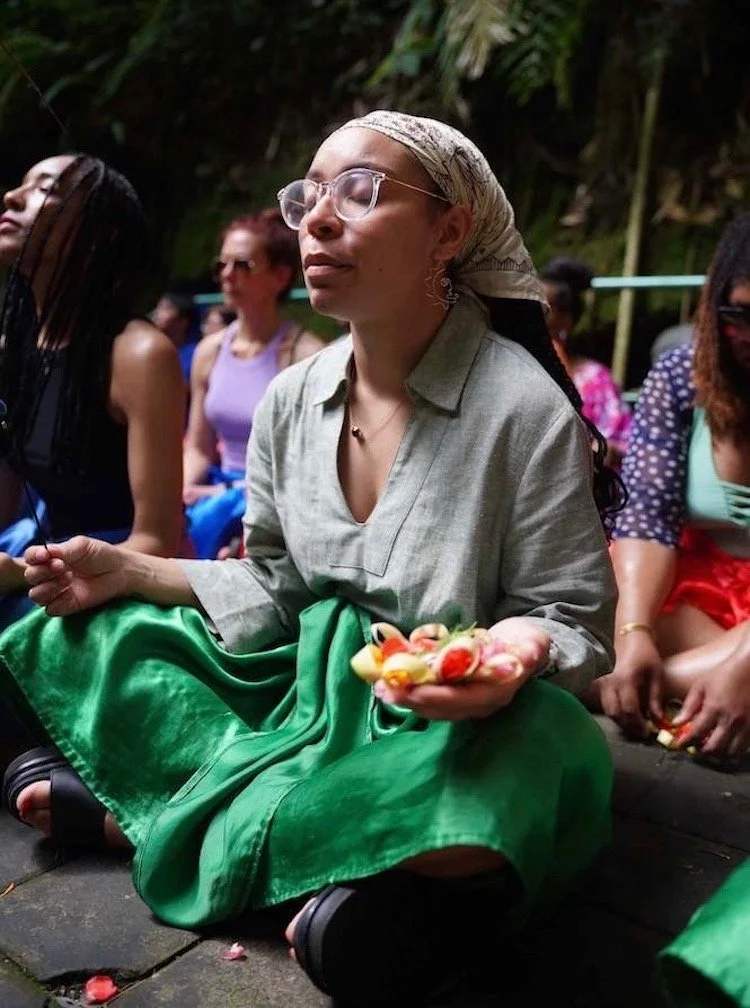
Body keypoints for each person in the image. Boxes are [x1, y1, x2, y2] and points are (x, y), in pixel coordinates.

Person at [2, 113, 620, 1004]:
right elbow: (276, 589)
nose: (318, 220)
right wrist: (130, 571)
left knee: (547, 754)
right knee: (86, 639)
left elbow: (569, 616)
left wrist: (512, 655)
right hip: (295, 690)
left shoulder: (523, 409)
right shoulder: (292, 399)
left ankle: (155, 816)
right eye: (309, 196)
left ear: (451, 229)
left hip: (443, 725)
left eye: (360, 192)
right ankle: (345, 874)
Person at [0, 154, 186, 632]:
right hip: (40, 551)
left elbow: (158, 538)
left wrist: (21, 574)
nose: (11, 197)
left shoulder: (140, 355)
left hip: (116, 576)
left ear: (97, 236)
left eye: (45, 189)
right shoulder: (14, 345)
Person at [593, 214, 750, 762]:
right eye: (742, 315)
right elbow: (645, 519)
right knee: (606, 598)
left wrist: (746, 665)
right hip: (702, 594)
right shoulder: (681, 376)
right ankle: (651, 677)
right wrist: (634, 633)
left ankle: (619, 689)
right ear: (713, 309)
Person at [183, 209, 324, 559]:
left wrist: (226, 494)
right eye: (222, 265)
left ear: (279, 277)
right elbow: (200, 446)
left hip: (274, 499)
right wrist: (184, 488)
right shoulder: (209, 352)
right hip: (214, 494)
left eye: (243, 265)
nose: (228, 276)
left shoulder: (305, 356)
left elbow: (307, 466)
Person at [542, 257, 632, 466]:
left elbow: (624, 445)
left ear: (566, 319)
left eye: (544, 308)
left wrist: (599, 450)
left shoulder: (596, 381)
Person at [151, 291, 200, 383]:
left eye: (165, 308)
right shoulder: (153, 351)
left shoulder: (195, 355)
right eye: (158, 308)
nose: (157, 313)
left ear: (183, 321)